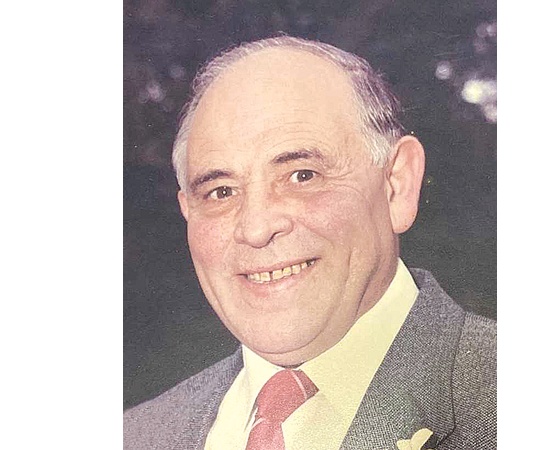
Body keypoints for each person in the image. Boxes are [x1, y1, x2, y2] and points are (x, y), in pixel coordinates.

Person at [124, 36, 496, 450]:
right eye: (221, 192)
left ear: (397, 186)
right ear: (187, 211)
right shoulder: (135, 435)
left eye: (302, 176)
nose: (256, 228)